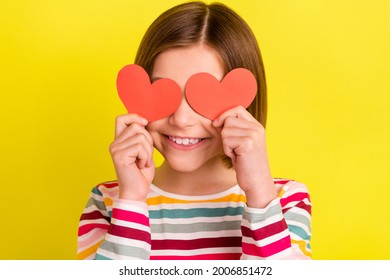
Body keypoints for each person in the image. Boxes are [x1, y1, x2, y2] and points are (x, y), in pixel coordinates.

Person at [77, 1, 312, 260]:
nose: (181, 119)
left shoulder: (282, 200)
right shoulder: (109, 202)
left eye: (203, 97)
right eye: (164, 92)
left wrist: (258, 193)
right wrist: (132, 200)